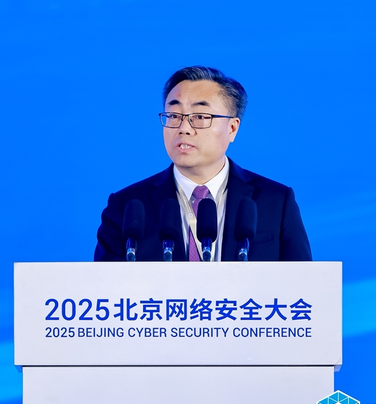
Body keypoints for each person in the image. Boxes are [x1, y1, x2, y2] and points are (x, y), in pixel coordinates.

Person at [94, 66, 311, 262]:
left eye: (199, 116)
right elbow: (103, 288)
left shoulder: (276, 202)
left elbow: (303, 283)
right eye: (174, 115)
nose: (183, 128)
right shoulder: (127, 207)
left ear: (232, 128)